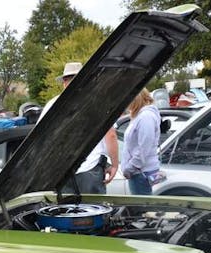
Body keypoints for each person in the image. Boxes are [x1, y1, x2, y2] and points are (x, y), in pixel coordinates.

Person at [39, 62, 119, 194]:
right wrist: (115, 164)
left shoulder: (51, 105)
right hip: (90, 169)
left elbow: (41, 139)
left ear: (64, 82)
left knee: (65, 213)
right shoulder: (98, 103)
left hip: (60, 172)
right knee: (92, 211)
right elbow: (110, 135)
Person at [121, 89, 161, 195]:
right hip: (139, 171)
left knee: (142, 209)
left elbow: (144, 147)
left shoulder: (145, 117)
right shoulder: (141, 116)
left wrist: (130, 168)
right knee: (143, 207)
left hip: (141, 172)